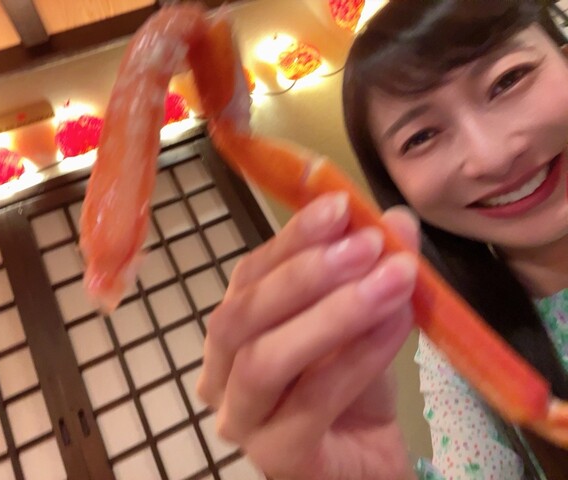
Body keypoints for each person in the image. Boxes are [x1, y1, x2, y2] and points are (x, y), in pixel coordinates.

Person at [197, 1, 568, 478]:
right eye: (421, 136)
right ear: (396, 188)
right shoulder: (461, 357)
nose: (492, 156)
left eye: (508, 80)